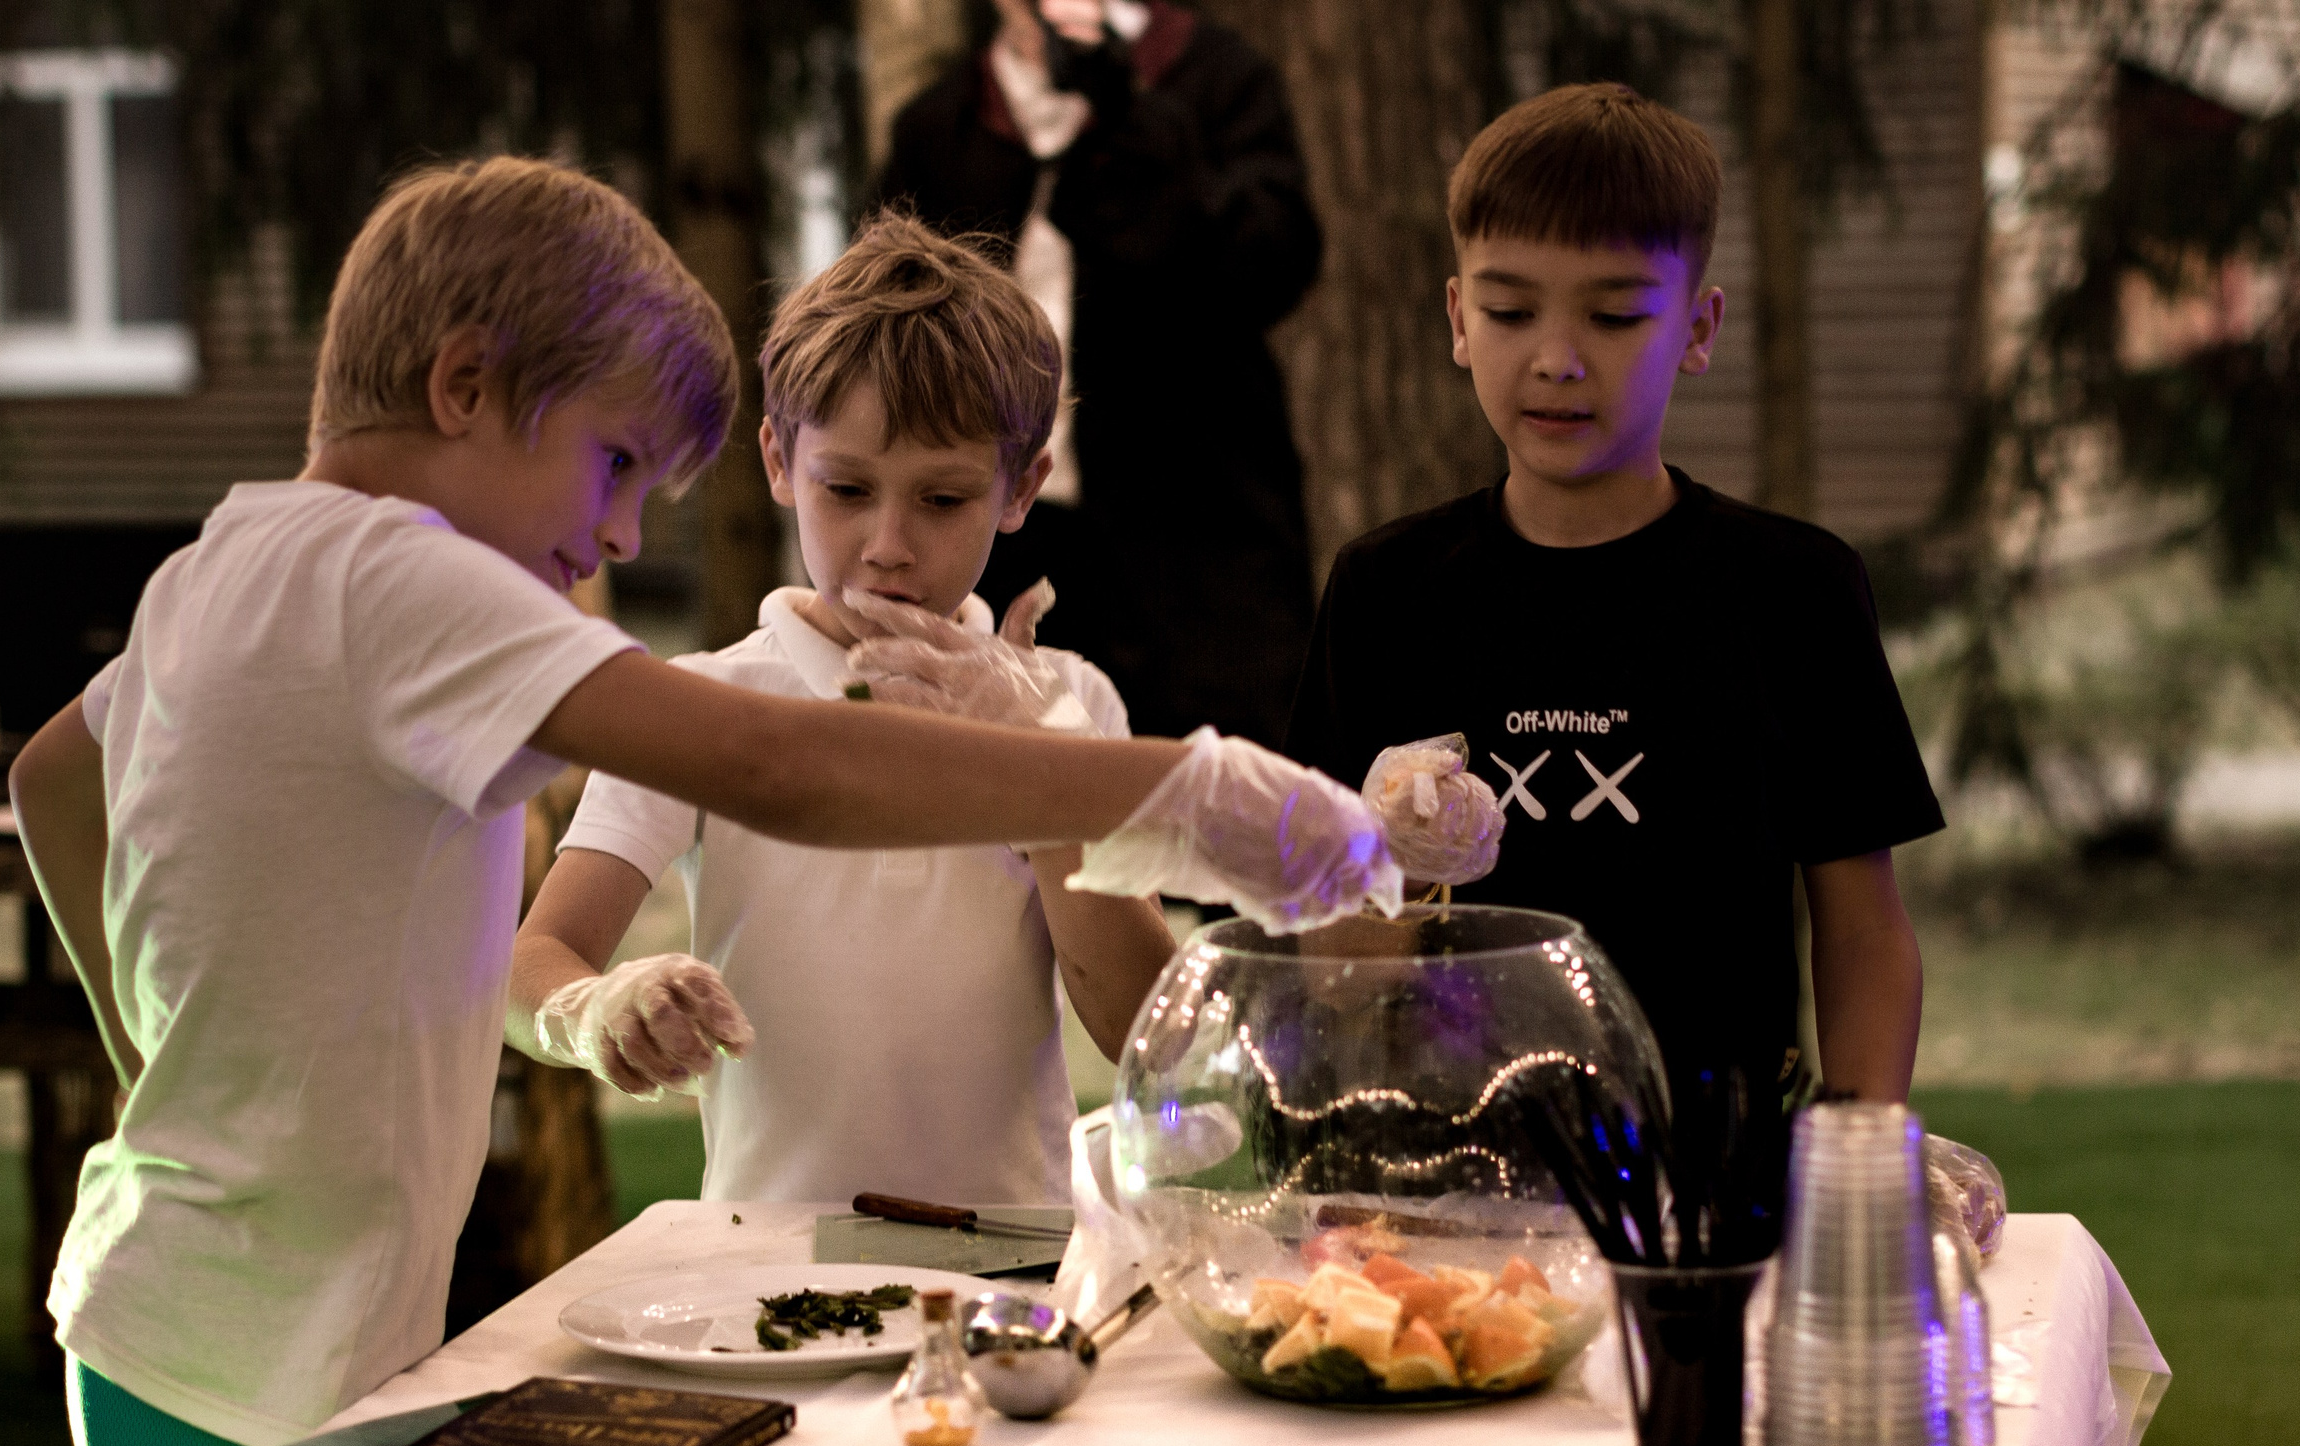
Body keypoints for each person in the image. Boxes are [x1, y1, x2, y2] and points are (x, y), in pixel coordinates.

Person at [7, 157, 1393, 1446]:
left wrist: (150, 1051)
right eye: (613, 464)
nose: (619, 539)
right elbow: (777, 765)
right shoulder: (400, 577)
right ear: (466, 387)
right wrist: (1187, 793)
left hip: (202, 1295)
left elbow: (52, 779)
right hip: (250, 1331)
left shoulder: (236, 557)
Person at [1286, 83, 1942, 1111]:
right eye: (1510, 310)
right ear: (1459, 318)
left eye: (1614, 313)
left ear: (1697, 326)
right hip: (1438, 1194)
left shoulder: (1793, 590)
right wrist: (1391, 873)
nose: (1555, 357)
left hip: (1714, 1192)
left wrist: (1862, 1154)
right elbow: (1314, 949)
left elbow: (1863, 931)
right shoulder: (1386, 590)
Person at [507, 213, 1177, 1203]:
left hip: (1011, 1274)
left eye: (942, 500)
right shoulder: (699, 703)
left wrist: (1045, 776)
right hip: (765, 1275)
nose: (889, 544)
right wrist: (596, 1008)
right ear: (779, 462)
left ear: (1020, 486)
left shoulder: (1070, 701)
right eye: (847, 489)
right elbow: (531, 965)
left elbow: (1147, 1040)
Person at [879, 0, 1321, 747]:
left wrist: (1132, 118)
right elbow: (892, 315)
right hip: (1008, 529)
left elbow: (1276, 262)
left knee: (1214, 782)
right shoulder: (944, 123)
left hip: (1198, 527)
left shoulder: (1215, 79)